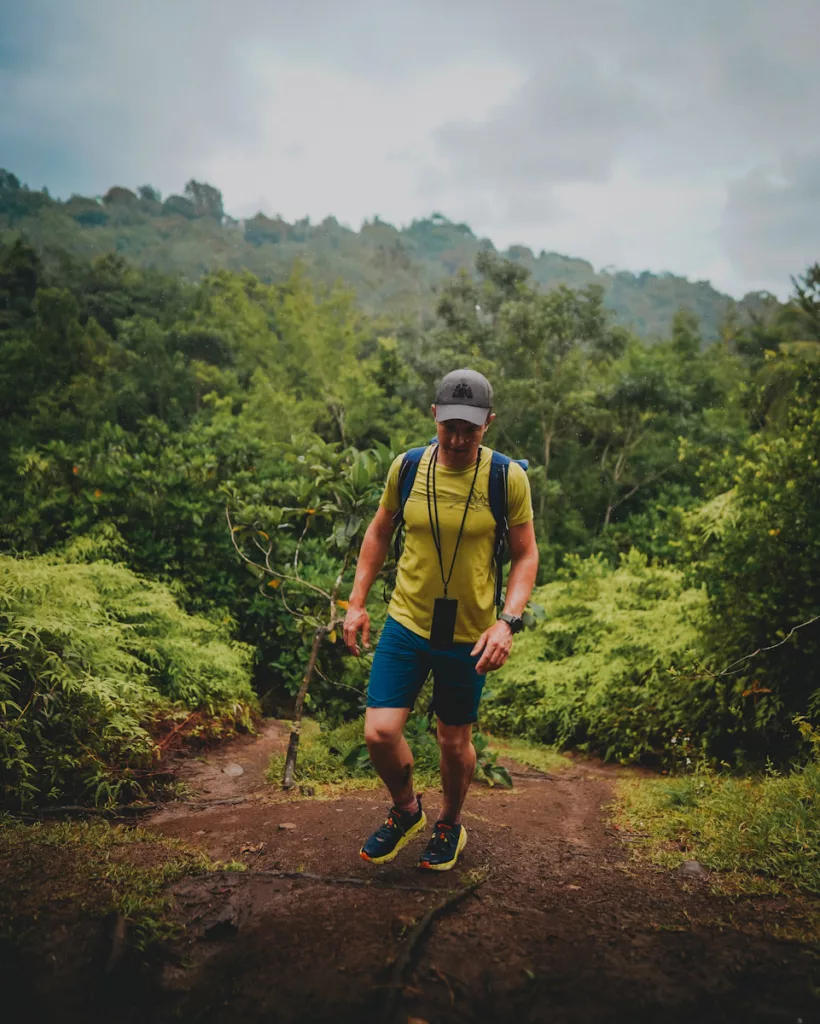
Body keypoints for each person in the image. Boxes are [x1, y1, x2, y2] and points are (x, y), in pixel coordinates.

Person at [343, 368, 539, 871]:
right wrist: (357, 602)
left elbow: (525, 555)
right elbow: (379, 532)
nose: (456, 439)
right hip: (407, 622)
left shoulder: (505, 478)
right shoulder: (407, 467)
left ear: (488, 424)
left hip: (470, 634)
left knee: (454, 742)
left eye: (469, 430)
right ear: (434, 415)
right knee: (379, 733)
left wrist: (507, 622)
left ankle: (450, 822)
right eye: (448, 426)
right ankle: (407, 811)